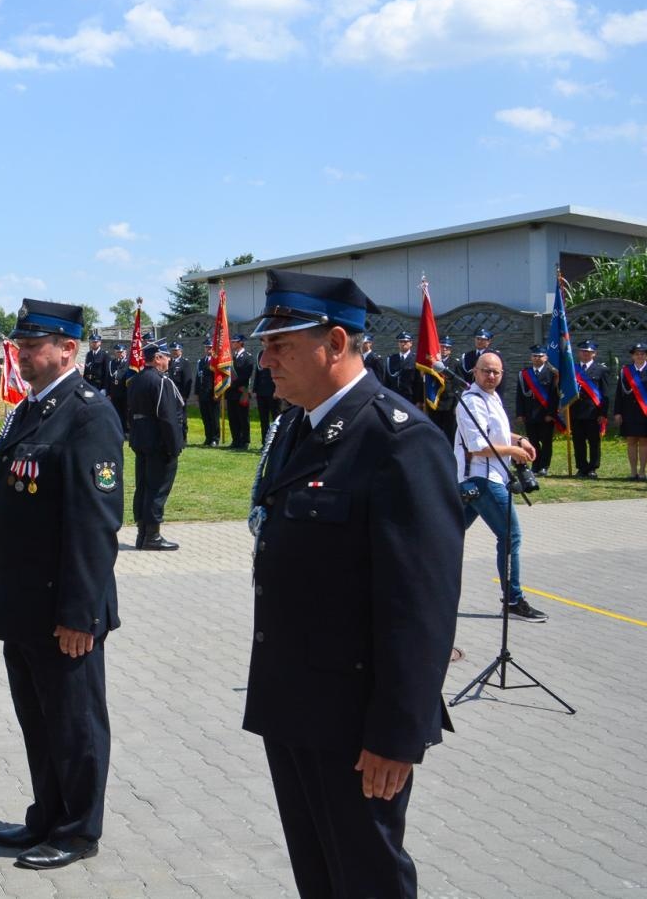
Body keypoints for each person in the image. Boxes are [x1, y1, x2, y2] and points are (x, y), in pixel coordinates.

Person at [245, 270, 463, 899]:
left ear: (335, 343)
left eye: (281, 345)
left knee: (367, 877)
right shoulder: (298, 427)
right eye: (266, 345)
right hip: (295, 700)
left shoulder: (399, 442)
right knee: (319, 873)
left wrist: (397, 733)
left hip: (356, 723)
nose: (265, 360)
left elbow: (420, 604)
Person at [0, 299, 122, 871]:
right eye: (20, 345)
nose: (23, 354)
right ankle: (47, 814)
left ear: (68, 349)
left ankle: (78, 829)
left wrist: (80, 614)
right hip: (24, 604)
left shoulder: (88, 414)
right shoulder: (32, 410)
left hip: (63, 608)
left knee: (74, 722)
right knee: (38, 720)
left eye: (34, 345)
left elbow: (94, 524)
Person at [457, 352, 549, 623]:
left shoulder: (492, 397)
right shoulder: (471, 401)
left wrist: (520, 440)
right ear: (475, 371)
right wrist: (513, 451)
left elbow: (495, 433)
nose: (491, 376)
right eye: (486, 371)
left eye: (496, 372)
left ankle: (414, 585)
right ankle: (513, 600)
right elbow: (478, 446)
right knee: (510, 536)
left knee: (446, 534)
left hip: (487, 478)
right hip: (482, 479)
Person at [127, 341, 185, 550]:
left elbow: (129, 413)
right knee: (157, 488)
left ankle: (142, 534)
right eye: (166, 356)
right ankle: (152, 536)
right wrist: (175, 445)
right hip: (159, 443)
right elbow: (167, 416)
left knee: (143, 486)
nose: (169, 360)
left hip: (141, 440)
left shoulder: (135, 380)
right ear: (158, 358)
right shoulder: (160, 381)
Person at [515, 345, 560, 475]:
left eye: (540, 356)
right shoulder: (524, 374)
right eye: (534, 356)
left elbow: (554, 396)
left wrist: (551, 413)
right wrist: (520, 413)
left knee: (546, 442)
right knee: (533, 441)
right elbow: (520, 395)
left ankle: (544, 466)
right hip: (529, 413)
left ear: (545, 358)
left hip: (545, 414)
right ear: (531, 358)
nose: (537, 358)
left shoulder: (552, 374)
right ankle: (535, 465)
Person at [571, 340, 610, 478]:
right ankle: (581, 467)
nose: (585, 354)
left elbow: (605, 393)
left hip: (593, 412)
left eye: (588, 352)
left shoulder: (601, 370)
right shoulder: (572, 369)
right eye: (583, 351)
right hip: (575, 411)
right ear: (579, 353)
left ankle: (593, 468)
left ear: (594, 353)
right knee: (578, 442)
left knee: (594, 442)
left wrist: (603, 413)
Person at [615, 342, 647, 481]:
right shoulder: (625, 371)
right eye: (637, 354)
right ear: (632, 356)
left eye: (642, 354)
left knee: (644, 442)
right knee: (631, 441)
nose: (639, 356)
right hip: (629, 412)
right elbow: (619, 394)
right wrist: (617, 412)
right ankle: (633, 472)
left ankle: (642, 471)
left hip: (645, 412)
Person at [426, 337, 460, 443]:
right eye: (442, 347)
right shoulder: (432, 363)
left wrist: (457, 404)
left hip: (449, 403)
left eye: (447, 347)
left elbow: (458, 385)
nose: (444, 349)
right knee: (434, 431)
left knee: (450, 432)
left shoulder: (455, 363)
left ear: (450, 350)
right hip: (434, 401)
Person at [227, 334, 254, 449]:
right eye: (232, 341)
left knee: (243, 417)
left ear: (241, 343)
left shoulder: (248, 357)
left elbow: (246, 374)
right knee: (233, 418)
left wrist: (233, 384)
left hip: (241, 391)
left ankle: (245, 441)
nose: (232, 343)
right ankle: (235, 440)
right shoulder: (231, 357)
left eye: (234, 342)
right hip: (231, 392)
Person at [167, 341, 193, 446]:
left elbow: (187, 380)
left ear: (181, 351)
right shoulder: (169, 362)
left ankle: (183, 438)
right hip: (170, 394)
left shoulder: (184, 363)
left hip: (180, 395)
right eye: (172, 350)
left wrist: (185, 395)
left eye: (176, 350)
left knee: (181, 417)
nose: (174, 352)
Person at [196, 345, 222, 447]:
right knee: (205, 417)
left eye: (210, 347)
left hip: (212, 394)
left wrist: (218, 393)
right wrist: (197, 393)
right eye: (206, 347)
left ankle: (215, 438)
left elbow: (219, 378)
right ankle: (208, 437)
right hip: (203, 394)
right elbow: (198, 378)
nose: (208, 349)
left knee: (214, 418)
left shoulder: (216, 361)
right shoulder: (201, 361)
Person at [386, 333, 421, 406]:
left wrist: (419, 400)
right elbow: (387, 380)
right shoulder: (392, 358)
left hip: (410, 397)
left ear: (411, 343)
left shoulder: (416, 359)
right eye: (400, 341)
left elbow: (419, 382)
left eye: (405, 341)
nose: (403, 344)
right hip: (394, 396)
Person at [253, 350, 279, 443]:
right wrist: (255, 389)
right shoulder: (260, 354)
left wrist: (277, 389)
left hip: (272, 391)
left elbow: (278, 373)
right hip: (261, 391)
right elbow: (258, 372)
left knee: (275, 417)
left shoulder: (276, 353)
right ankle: (265, 441)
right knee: (263, 419)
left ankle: (276, 441)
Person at [107, 342, 131, 429]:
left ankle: (125, 430)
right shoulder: (112, 363)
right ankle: (119, 429)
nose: (119, 354)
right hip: (114, 392)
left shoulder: (128, 363)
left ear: (125, 352)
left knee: (125, 412)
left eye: (121, 352)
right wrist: (108, 392)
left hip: (125, 392)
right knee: (116, 412)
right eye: (117, 352)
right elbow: (108, 379)